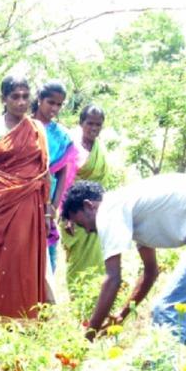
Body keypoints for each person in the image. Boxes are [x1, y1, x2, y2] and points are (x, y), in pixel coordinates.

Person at [61, 175, 186, 343]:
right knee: (184, 308)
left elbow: (113, 279)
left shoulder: (109, 210)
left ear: (89, 205)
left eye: (81, 223)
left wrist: (88, 338)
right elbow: (151, 272)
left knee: (166, 308)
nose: (86, 230)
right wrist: (122, 314)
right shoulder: (130, 210)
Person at [0, 75, 50, 319]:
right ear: (3, 99)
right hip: (1, 207)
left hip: (32, 207)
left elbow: (44, 171)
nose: (21, 102)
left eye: (25, 96)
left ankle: (28, 318)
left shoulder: (37, 129)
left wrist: (48, 211)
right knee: (4, 261)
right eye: (15, 97)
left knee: (28, 263)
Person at [58, 104, 109, 294]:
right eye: (90, 123)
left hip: (96, 213)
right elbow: (63, 182)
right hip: (74, 212)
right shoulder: (72, 147)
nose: (94, 128)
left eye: (98, 124)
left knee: (98, 258)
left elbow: (102, 182)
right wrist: (66, 216)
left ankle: (96, 299)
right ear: (81, 123)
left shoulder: (100, 149)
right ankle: (79, 301)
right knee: (78, 261)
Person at [31, 80, 73, 271]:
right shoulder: (25, 127)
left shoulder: (62, 135)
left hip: (49, 196)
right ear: (39, 99)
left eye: (59, 104)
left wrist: (54, 206)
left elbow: (63, 174)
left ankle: (44, 299)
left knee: (47, 251)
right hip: (24, 195)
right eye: (51, 102)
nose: (54, 108)